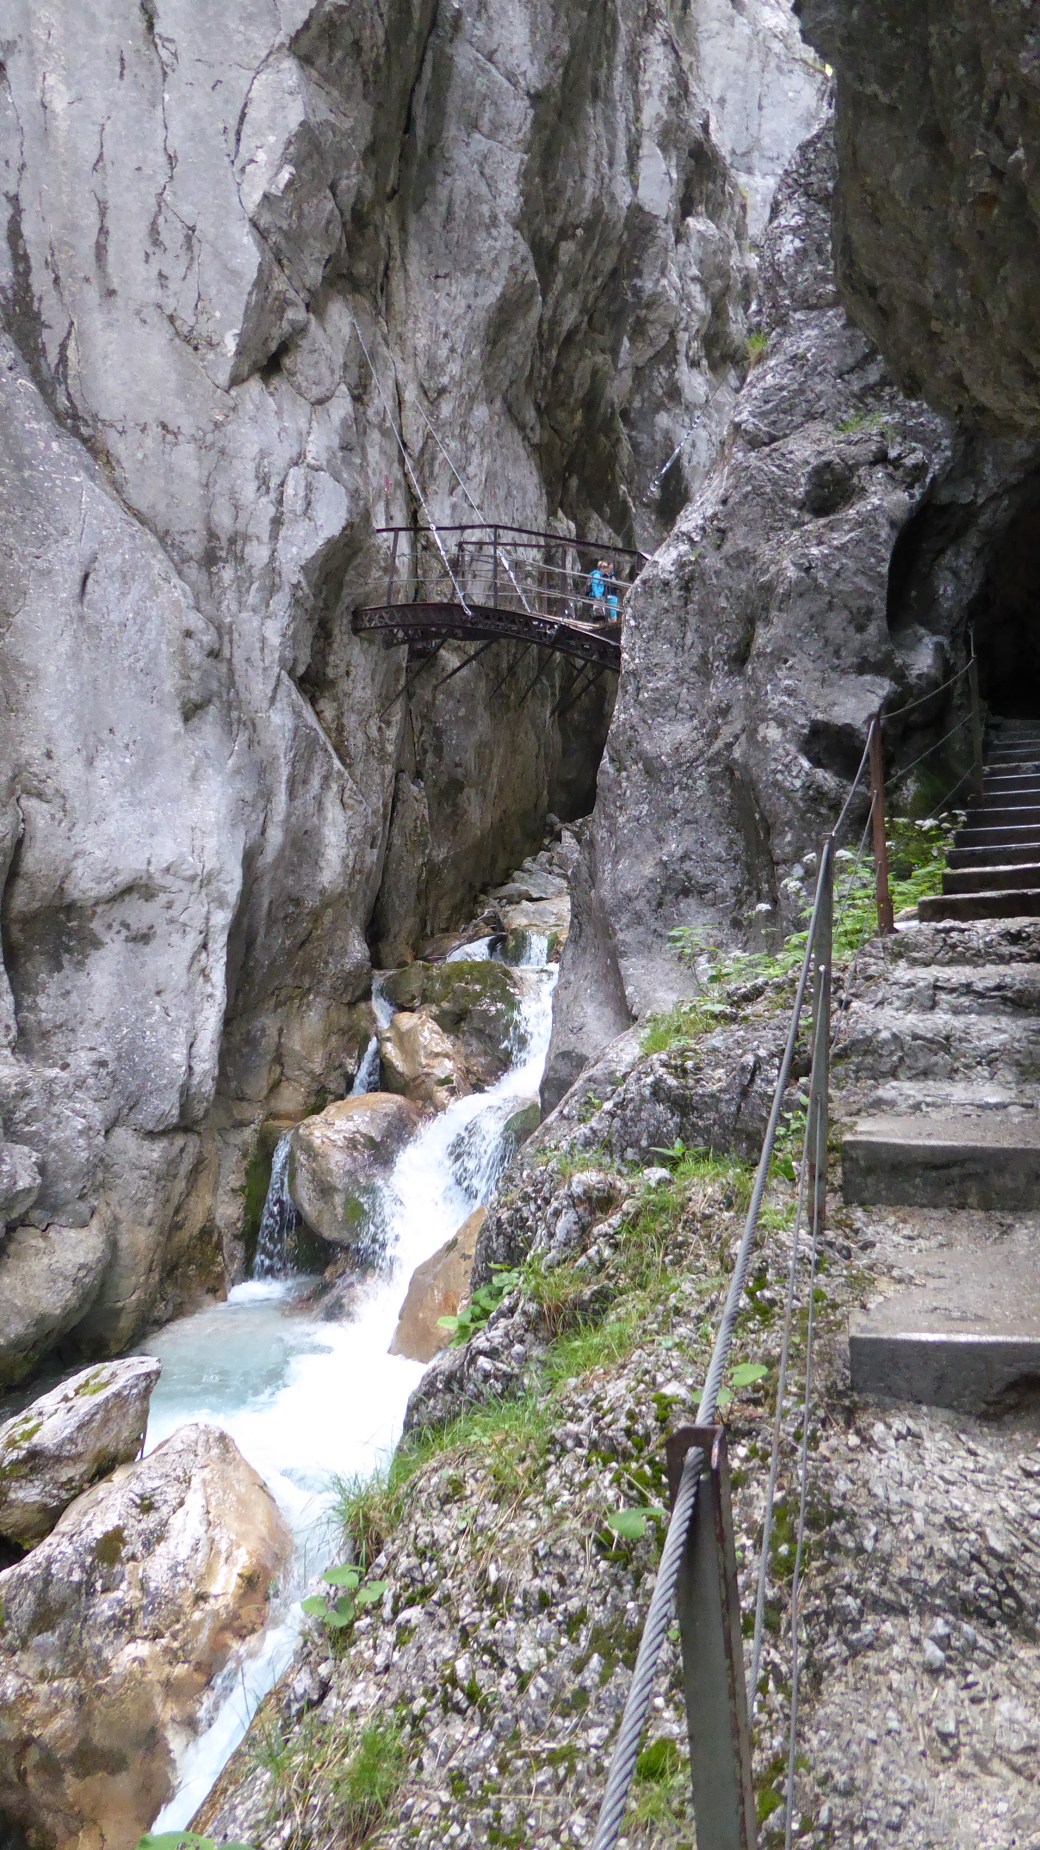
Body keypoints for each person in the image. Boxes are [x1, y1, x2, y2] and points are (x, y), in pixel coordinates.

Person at [604, 562, 621, 628]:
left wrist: (614, 582)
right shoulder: (603, 575)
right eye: (609, 568)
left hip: (613, 595)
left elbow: (618, 586)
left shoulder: (614, 576)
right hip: (605, 596)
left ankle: (614, 625)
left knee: (613, 611)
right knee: (606, 612)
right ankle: (606, 625)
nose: (611, 570)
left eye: (612, 568)